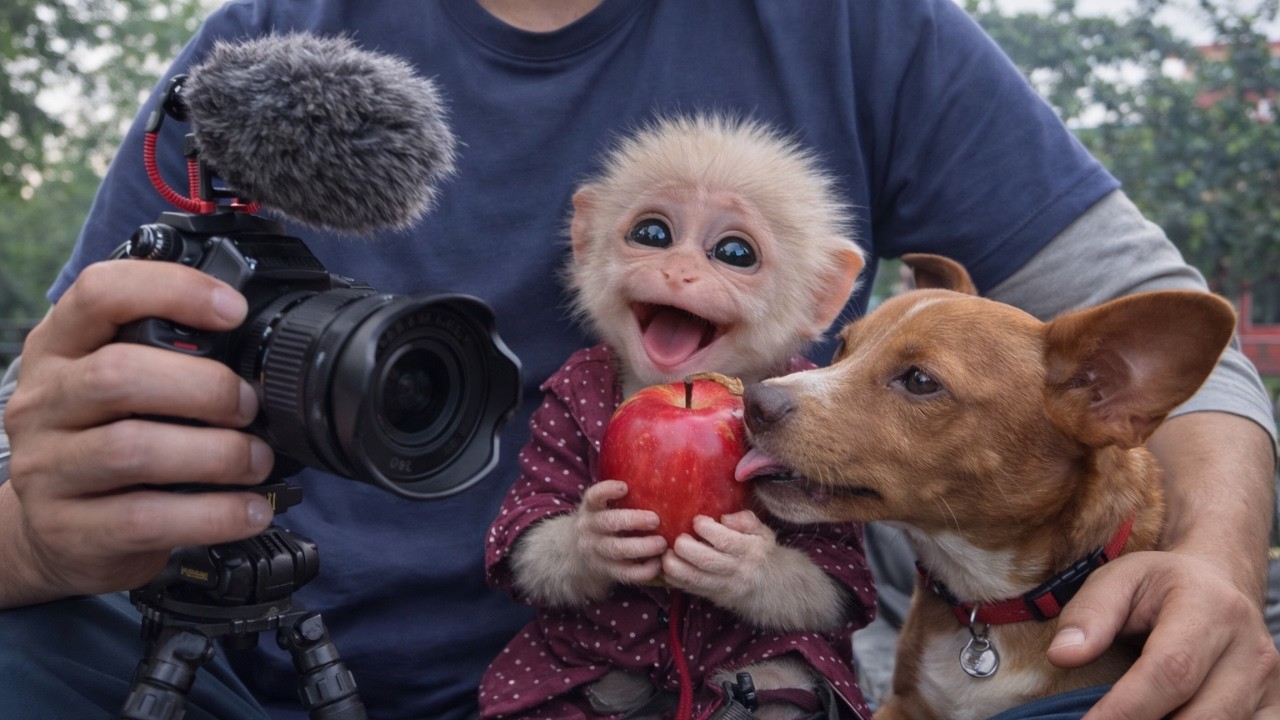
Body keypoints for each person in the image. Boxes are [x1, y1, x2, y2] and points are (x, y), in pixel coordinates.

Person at [0, 1, 1275, 719]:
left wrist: (1207, 575)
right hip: (252, 666)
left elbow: (1166, 331)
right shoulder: (264, 51)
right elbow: (40, 426)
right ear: (584, 240)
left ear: (823, 291)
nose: (677, 279)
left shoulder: (864, 30)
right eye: (647, 237)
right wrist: (36, 538)